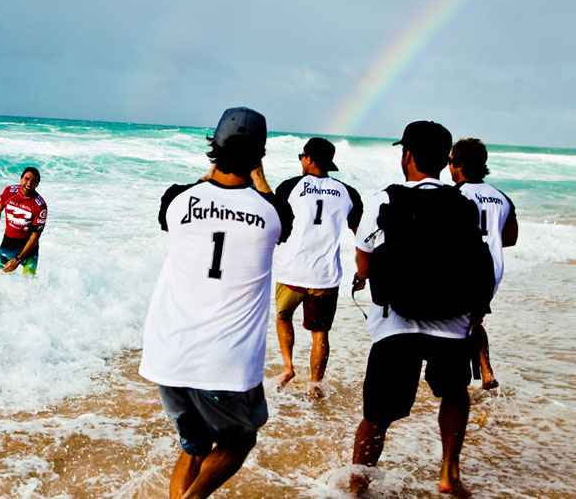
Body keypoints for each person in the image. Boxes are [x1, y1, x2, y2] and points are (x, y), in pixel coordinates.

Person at [139, 107, 292, 499]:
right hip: (226, 363)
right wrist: (259, 176)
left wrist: (212, 170)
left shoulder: (177, 201)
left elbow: (193, 195)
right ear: (259, 155)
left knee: (193, 447)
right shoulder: (272, 213)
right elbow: (281, 216)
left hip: (169, 356)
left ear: (214, 146)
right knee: (239, 442)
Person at [349, 121, 482, 498]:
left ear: (407, 155)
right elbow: (475, 260)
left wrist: (365, 275)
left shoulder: (384, 199)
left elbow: (364, 257)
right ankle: (449, 474)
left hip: (396, 322)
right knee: (454, 392)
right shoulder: (464, 202)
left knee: (377, 413)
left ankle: (357, 486)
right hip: (451, 320)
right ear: (445, 159)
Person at [272, 137, 362, 397]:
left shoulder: (289, 187)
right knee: (320, 333)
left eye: (301, 156)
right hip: (325, 276)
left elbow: (275, 226)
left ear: (309, 158)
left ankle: (288, 367)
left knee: (283, 317)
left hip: (291, 271)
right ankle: (315, 386)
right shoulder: (348, 192)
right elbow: (360, 236)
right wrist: (363, 271)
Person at [449, 138, 518, 390]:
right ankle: (486, 371)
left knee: (454, 322)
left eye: (450, 160)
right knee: (474, 319)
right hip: (493, 269)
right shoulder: (501, 197)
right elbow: (510, 238)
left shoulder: (454, 195)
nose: (448, 166)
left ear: (459, 164)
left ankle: (459, 379)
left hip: (466, 266)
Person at [0, 167, 47, 275]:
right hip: (8, 243)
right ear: (21, 178)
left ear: (37, 184)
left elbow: (35, 236)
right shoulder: (8, 192)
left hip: (29, 247)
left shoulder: (40, 205)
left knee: (28, 281)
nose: (29, 184)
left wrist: (18, 260)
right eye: (26, 179)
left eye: (33, 181)